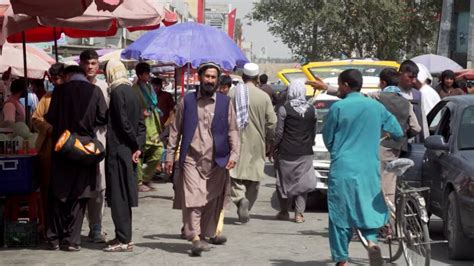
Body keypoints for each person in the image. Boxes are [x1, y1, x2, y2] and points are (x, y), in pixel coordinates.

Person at [322, 69, 403, 266]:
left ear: (346, 85)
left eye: (340, 84)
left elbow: (328, 137)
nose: (339, 88)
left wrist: (337, 151)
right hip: (369, 168)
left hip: (343, 168)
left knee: (339, 215)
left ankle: (342, 260)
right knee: (366, 209)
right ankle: (372, 242)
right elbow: (398, 131)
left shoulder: (338, 108)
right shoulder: (375, 107)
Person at [165, 62, 240, 256]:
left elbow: (233, 130)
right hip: (191, 158)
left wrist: (234, 154)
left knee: (210, 200)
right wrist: (170, 155)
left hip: (217, 160)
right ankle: (195, 237)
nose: (210, 80)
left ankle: (205, 235)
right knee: (194, 198)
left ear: (217, 80)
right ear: (199, 77)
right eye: (207, 76)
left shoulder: (225, 103)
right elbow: (175, 130)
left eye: (213, 77)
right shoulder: (187, 101)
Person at [45, 65, 107, 251]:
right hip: (84, 149)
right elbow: (103, 117)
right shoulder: (95, 91)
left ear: (67, 75)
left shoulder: (59, 91)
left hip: (62, 147)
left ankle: (54, 238)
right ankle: (72, 240)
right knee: (80, 195)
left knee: (58, 194)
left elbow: (51, 117)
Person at [103, 60, 146, 252]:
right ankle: (124, 237)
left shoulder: (118, 92)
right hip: (128, 151)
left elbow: (123, 123)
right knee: (124, 194)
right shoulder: (133, 92)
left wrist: (134, 144)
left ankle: (122, 239)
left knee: (119, 195)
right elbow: (140, 125)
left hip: (119, 150)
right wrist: (138, 146)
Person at [228, 63, 277, 223]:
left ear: (242, 77)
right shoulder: (264, 97)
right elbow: (272, 123)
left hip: (235, 140)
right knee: (254, 178)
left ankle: (240, 199)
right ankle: (246, 205)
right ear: (257, 79)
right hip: (257, 142)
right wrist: (269, 142)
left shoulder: (233, 93)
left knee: (234, 175)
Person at [273, 80, 317, 223]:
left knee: (283, 182)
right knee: (302, 184)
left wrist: (273, 147)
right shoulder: (312, 109)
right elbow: (313, 132)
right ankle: (299, 214)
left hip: (286, 152)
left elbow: (279, 133)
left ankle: (284, 211)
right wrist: (311, 143)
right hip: (305, 152)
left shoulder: (284, 109)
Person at [376, 68, 421, 205]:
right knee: (390, 179)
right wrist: (403, 136)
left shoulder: (376, 97)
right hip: (397, 147)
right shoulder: (406, 102)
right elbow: (416, 128)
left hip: (380, 144)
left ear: (383, 83)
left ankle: (387, 220)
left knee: (382, 183)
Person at [79, 49, 109, 243]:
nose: (90, 67)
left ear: (98, 66)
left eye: (93, 63)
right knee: (79, 184)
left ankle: (96, 226)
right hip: (78, 143)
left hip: (100, 140)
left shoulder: (105, 87)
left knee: (99, 185)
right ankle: (74, 227)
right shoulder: (74, 86)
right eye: (87, 63)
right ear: (81, 64)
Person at [32, 63, 65, 234]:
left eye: (58, 78)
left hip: (67, 149)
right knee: (46, 188)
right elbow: (36, 119)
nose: (56, 82)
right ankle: (47, 224)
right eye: (53, 79)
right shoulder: (46, 98)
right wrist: (48, 128)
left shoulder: (70, 96)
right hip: (48, 150)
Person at [132, 63, 164, 192]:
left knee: (159, 151)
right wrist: (141, 112)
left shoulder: (149, 87)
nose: (148, 76)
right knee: (139, 153)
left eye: (148, 73)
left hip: (154, 124)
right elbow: (132, 107)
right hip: (142, 125)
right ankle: (139, 181)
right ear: (139, 75)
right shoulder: (134, 90)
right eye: (145, 73)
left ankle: (145, 177)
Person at [398, 60, 425, 143]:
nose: (414, 81)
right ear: (400, 74)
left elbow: (422, 121)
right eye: (410, 77)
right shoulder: (390, 94)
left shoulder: (417, 95)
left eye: (415, 77)